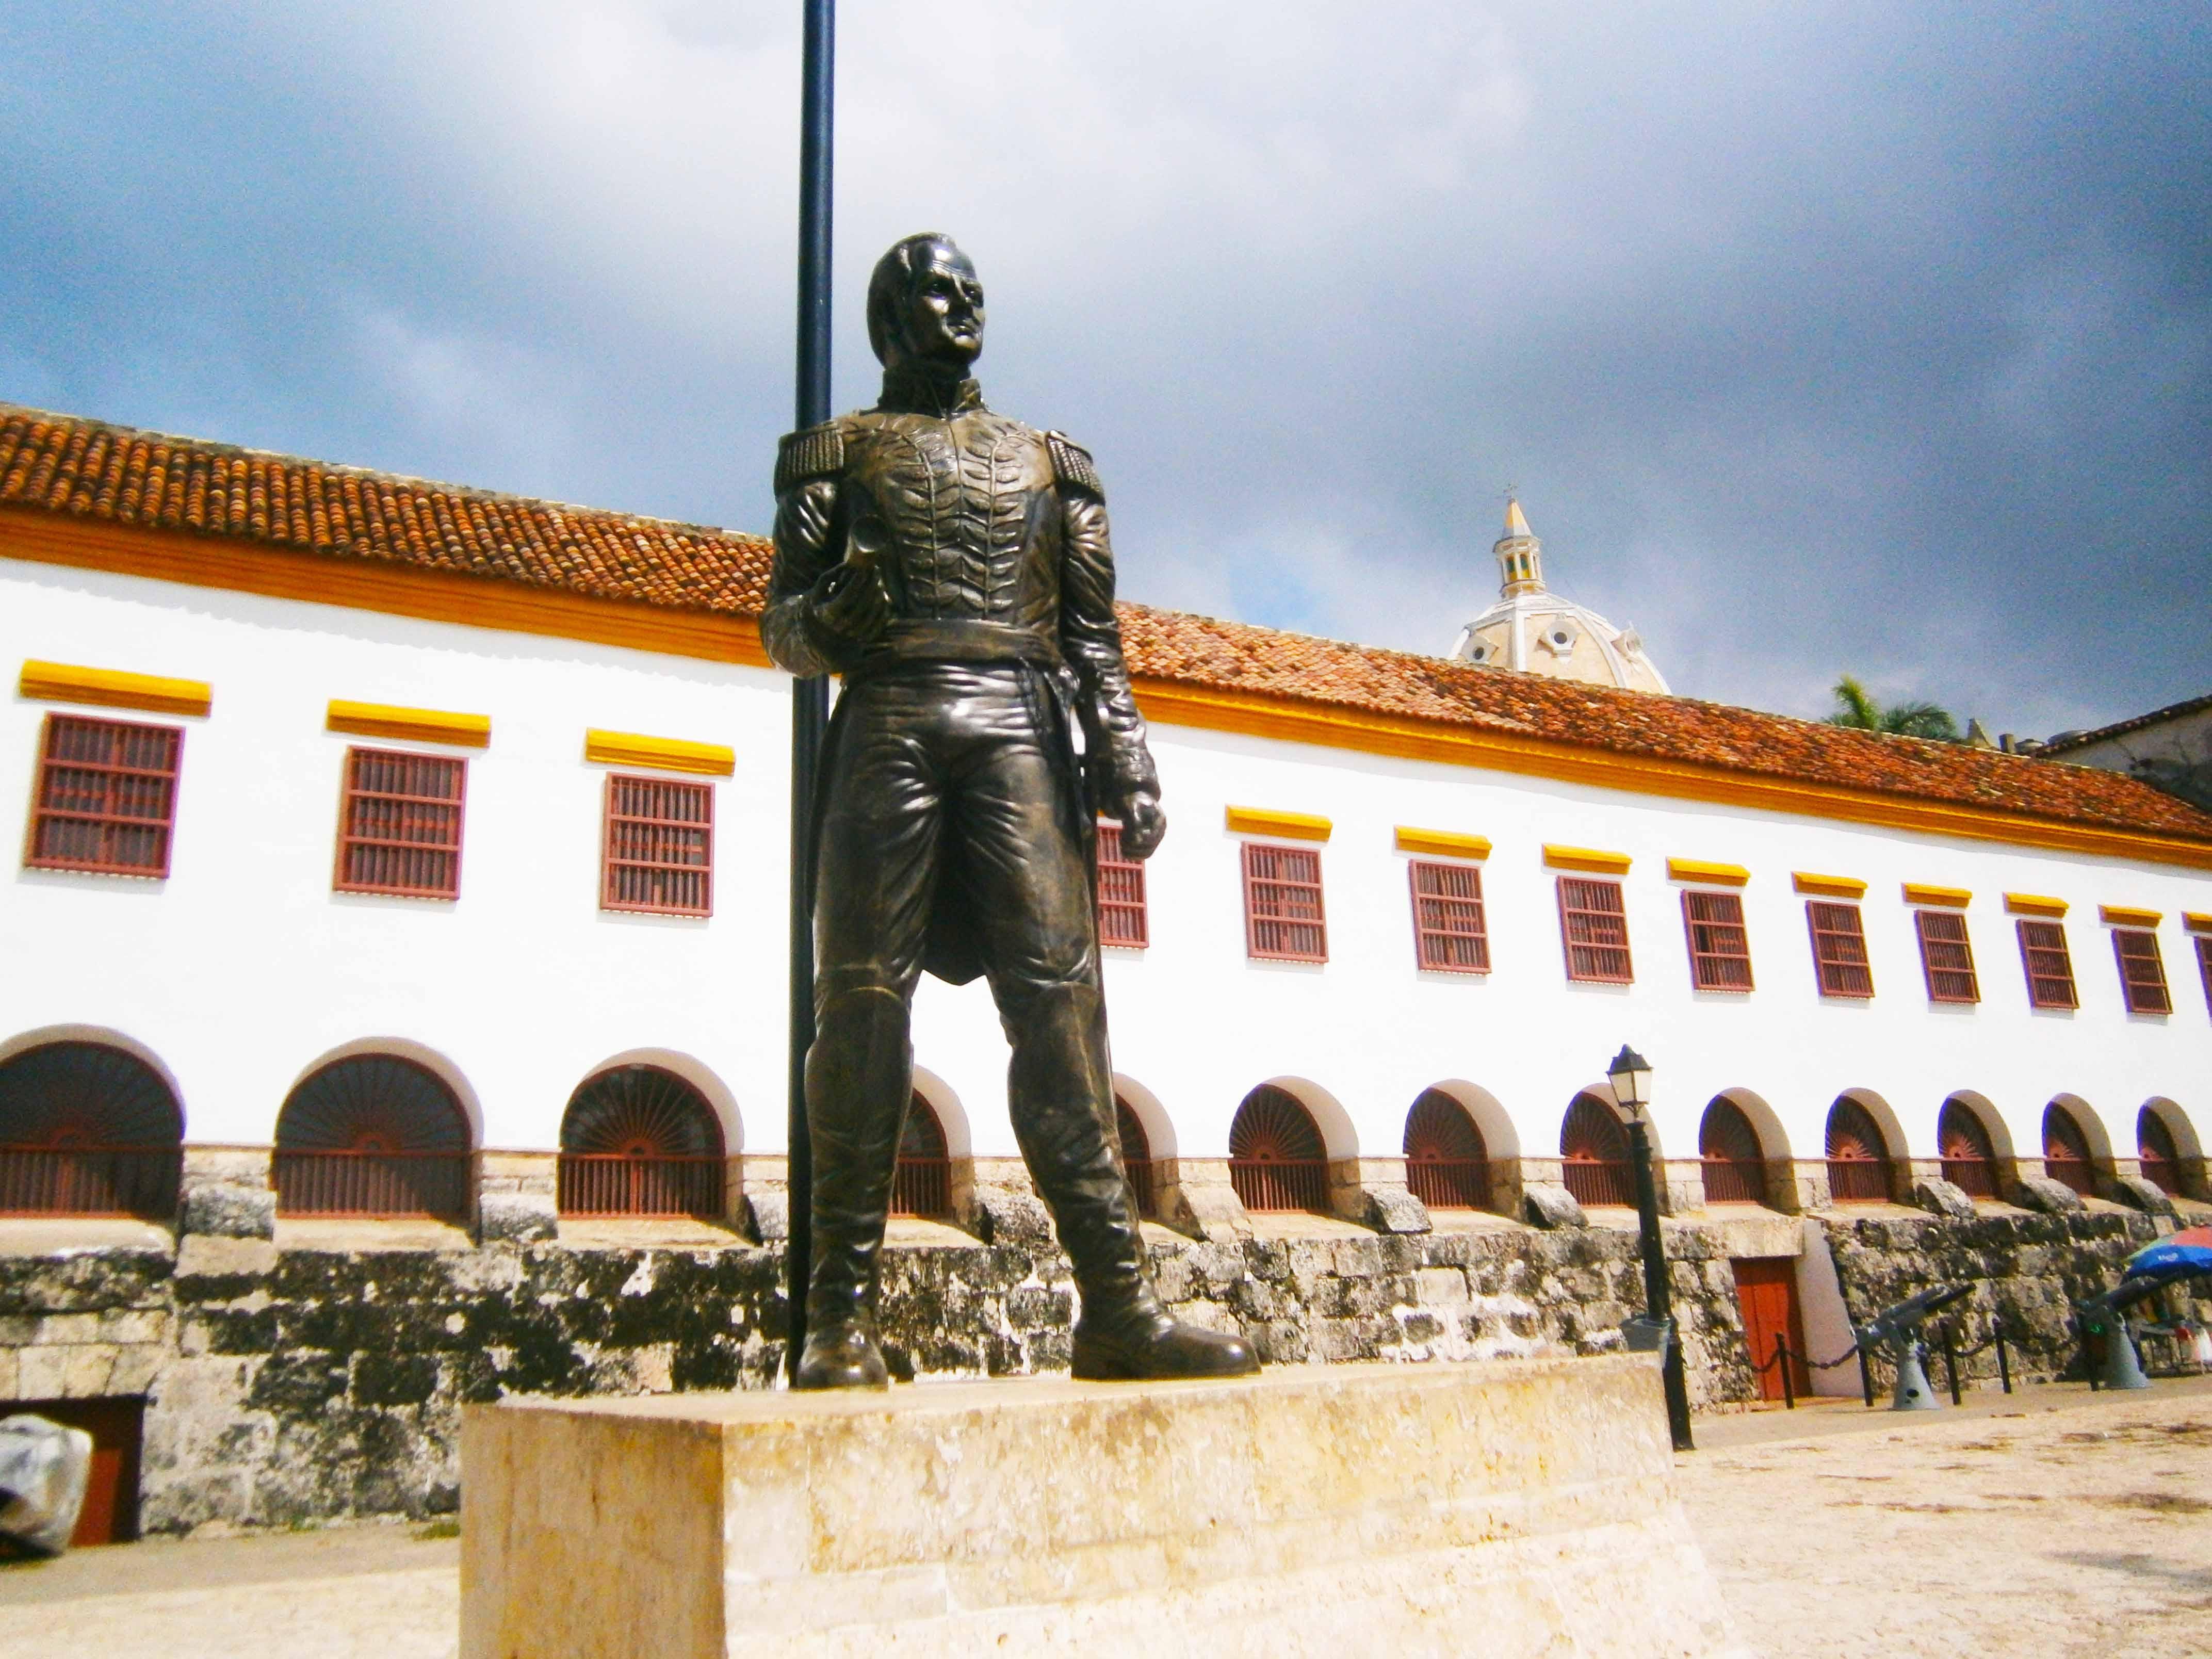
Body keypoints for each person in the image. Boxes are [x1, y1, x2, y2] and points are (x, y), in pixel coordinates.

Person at [763, 232, 1258, 1389]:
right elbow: (782, 628)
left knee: (1059, 1011)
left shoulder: (1053, 463)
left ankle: (1118, 1309)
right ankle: (837, 1320)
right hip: (887, 712)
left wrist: (1126, 754)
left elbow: (1093, 634)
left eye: (973, 291)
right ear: (888, 320)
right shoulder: (829, 455)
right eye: (935, 292)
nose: (961, 306)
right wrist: (833, 611)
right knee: (860, 1006)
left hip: (1021, 725)